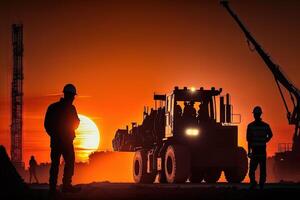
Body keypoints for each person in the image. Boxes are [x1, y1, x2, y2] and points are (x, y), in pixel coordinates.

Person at [44, 84, 80, 193]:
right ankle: (65, 186)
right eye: (73, 96)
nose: (73, 98)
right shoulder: (70, 109)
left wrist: (54, 135)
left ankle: (53, 188)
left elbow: (47, 125)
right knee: (68, 162)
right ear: (68, 95)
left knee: (56, 164)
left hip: (57, 141)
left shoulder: (53, 107)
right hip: (65, 142)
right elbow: (76, 123)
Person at [247, 106, 273, 190]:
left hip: (255, 151)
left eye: (255, 114)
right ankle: (261, 184)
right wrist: (265, 140)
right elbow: (271, 135)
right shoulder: (265, 126)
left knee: (252, 170)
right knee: (262, 170)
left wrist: (249, 151)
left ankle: (254, 183)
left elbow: (249, 140)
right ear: (260, 114)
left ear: (254, 115)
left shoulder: (250, 126)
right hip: (261, 151)